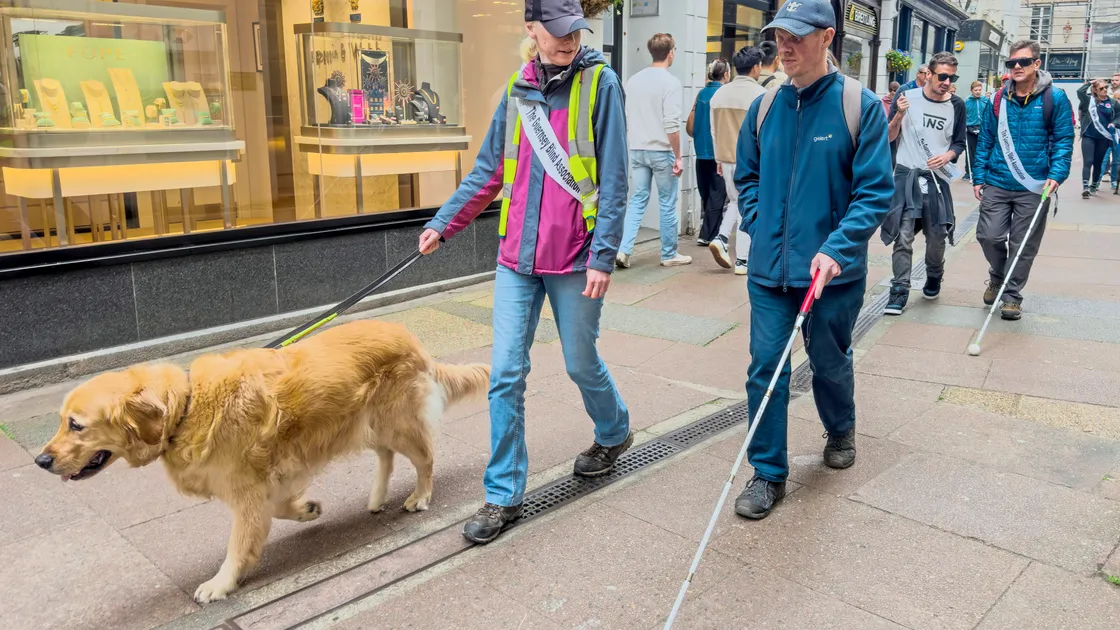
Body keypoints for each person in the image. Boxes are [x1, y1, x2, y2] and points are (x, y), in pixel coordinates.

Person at [417, 0, 632, 545]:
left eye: (574, 33)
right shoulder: (517, 90)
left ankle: (614, 430)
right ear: (532, 30)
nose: (568, 43)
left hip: (576, 255)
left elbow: (615, 178)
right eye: (556, 33)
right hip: (517, 256)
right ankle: (503, 494)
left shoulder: (600, 84)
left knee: (582, 363)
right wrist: (444, 223)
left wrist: (604, 255)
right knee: (506, 374)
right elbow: (489, 171)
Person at [731, 0, 893, 520]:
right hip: (770, 274)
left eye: (797, 37)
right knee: (765, 369)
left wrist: (835, 250)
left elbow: (873, 192)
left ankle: (840, 426)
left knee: (828, 362)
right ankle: (767, 473)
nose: (784, 46)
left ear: (827, 38)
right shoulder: (764, 105)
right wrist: (759, 224)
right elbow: (747, 178)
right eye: (779, 35)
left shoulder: (857, 105)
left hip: (831, 276)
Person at [973, 40, 1074, 321]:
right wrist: (978, 176)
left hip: (1035, 185)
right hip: (997, 180)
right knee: (988, 236)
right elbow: (986, 140)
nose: (1016, 67)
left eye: (1023, 62)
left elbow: (1064, 140)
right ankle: (998, 276)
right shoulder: (997, 99)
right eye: (1011, 63)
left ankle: (1012, 296)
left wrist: (1057, 174)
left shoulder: (1056, 98)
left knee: (1023, 244)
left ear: (1037, 64)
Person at [881, 51, 967, 316]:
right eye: (942, 76)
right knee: (903, 236)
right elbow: (889, 135)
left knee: (937, 236)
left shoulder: (957, 104)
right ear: (928, 74)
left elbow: (959, 143)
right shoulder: (907, 98)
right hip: (907, 177)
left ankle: (934, 274)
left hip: (937, 179)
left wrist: (948, 155)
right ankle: (899, 289)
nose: (947, 82)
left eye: (952, 77)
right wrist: (898, 115)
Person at [616, 33, 691, 268]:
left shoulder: (633, 80)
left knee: (637, 199)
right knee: (668, 202)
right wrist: (678, 156)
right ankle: (669, 254)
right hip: (661, 150)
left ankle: (624, 249)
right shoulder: (671, 82)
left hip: (637, 148)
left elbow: (626, 116)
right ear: (671, 53)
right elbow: (671, 124)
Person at [707, 46, 767, 275]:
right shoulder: (760, 95)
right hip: (752, 159)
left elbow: (714, 130)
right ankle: (742, 260)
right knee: (748, 205)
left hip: (726, 156)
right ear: (755, 67)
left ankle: (722, 238)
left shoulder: (719, 93)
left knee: (735, 201)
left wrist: (718, 158)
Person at [692, 58, 731, 247]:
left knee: (707, 192)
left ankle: (710, 231)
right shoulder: (724, 93)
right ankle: (708, 234)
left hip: (700, 151)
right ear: (725, 74)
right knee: (718, 193)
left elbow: (690, 126)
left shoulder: (701, 94)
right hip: (718, 151)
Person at [1077, 78, 1118, 197]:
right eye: (1101, 88)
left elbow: (1118, 116)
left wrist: (1113, 123)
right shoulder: (1089, 100)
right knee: (1088, 161)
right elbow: (1080, 92)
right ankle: (1085, 186)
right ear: (1095, 90)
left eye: (1106, 87)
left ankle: (1094, 185)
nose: (1104, 90)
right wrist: (1090, 83)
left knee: (1098, 162)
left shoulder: (1113, 102)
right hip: (1089, 136)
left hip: (1104, 137)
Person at [963, 80, 991, 181]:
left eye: (979, 90)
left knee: (983, 149)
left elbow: (989, 113)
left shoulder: (986, 100)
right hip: (970, 128)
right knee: (970, 151)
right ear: (971, 90)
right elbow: (963, 115)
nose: (978, 92)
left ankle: (983, 170)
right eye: (976, 90)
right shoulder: (966, 101)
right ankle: (968, 171)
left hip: (982, 128)